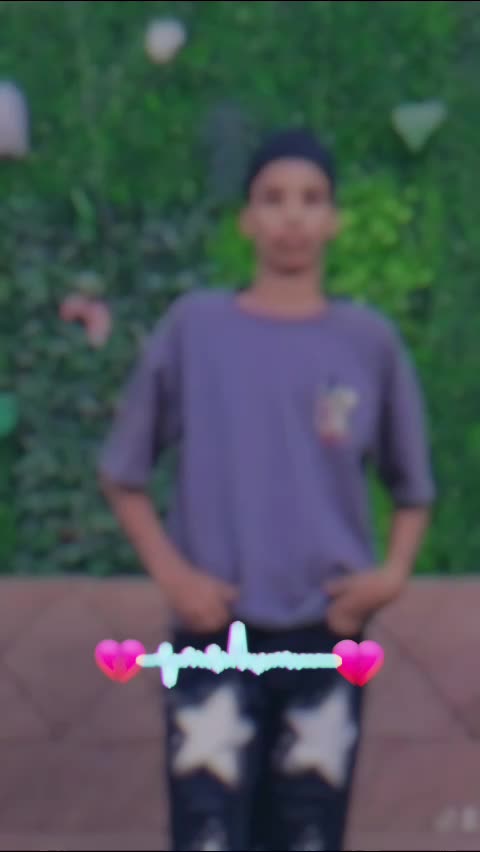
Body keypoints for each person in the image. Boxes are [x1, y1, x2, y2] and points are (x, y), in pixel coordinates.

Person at [97, 128, 435, 852]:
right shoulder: (196, 330)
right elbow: (122, 473)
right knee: (208, 834)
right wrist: (175, 577)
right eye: (273, 198)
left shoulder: (367, 343)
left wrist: (391, 575)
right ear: (247, 218)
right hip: (213, 629)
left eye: (311, 199)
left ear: (333, 219)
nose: (292, 217)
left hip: (326, 634)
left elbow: (413, 488)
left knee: (309, 832)